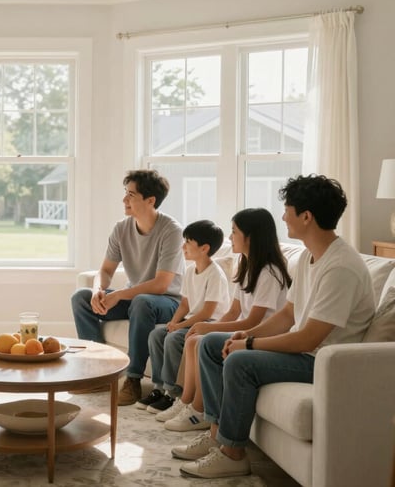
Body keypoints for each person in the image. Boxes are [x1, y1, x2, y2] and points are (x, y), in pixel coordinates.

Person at [177, 175, 376, 479]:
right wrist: (248, 334)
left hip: (323, 362)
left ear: (306, 217)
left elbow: (309, 339)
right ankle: (217, 433)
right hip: (308, 351)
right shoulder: (312, 256)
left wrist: (250, 346)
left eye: (288, 210)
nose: (283, 216)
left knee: (241, 361)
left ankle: (233, 453)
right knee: (211, 343)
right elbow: (287, 314)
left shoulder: (341, 267)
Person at [161, 208, 291, 432]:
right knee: (195, 338)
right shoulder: (247, 266)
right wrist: (205, 326)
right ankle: (187, 403)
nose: (229, 238)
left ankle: (199, 411)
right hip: (247, 328)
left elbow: (252, 323)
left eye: (234, 232)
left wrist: (206, 327)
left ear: (251, 237)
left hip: (263, 334)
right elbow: (233, 313)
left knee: (200, 340)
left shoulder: (269, 272)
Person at [71, 169, 185, 405]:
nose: (124, 200)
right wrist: (97, 290)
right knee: (80, 298)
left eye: (131, 195)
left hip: (167, 302)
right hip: (136, 300)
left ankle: (132, 379)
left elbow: (162, 284)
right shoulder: (121, 229)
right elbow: (105, 271)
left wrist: (120, 295)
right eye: (126, 193)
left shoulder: (171, 230)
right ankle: (99, 373)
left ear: (150, 200)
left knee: (142, 302)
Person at [142, 220, 230, 415]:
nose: (183, 247)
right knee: (157, 335)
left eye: (188, 243)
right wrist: (174, 322)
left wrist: (181, 325)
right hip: (190, 319)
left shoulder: (215, 274)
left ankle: (173, 393)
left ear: (204, 248)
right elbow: (184, 304)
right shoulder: (190, 271)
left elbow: (207, 312)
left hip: (208, 324)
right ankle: (159, 387)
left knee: (173, 338)